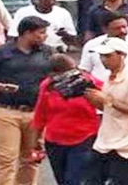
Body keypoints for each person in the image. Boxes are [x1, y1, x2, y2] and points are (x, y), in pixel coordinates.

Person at [0, 16, 53, 185]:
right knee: (6, 158)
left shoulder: (47, 52)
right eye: (41, 33)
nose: (45, 36)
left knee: (31, 158)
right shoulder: (0, 53)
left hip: (35, 112)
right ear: (27, 33)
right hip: (6, 111)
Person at [83, 37, 128, 185]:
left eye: (108, 56)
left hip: (125, 144)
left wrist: (108, 100)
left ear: (122, 55)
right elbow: (108, 108)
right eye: (101, 56)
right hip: (106, 140)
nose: (103, 60)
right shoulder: (109, 78)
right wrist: (93, 99)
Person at [31, 54, 101, 185]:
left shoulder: (86, 82)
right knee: (61, 179)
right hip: (54, 141)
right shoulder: (48, 85)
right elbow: (40, 114)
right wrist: (36, 142)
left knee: (74, 180)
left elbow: (107, 97)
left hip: (83, 139)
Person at [80, 12, 128, 91]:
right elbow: (85, 71)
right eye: (117, 28)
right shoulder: (92, 45)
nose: (122, 31)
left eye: (124, 27)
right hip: (100, 92)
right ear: (105, 29)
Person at [9, 0, 77, 52]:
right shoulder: (23, 12)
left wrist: (65, 35)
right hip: (30, 51)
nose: (51, 2)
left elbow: (72, 41)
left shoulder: (63, 13)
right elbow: (13, 36)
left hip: (57, 51)